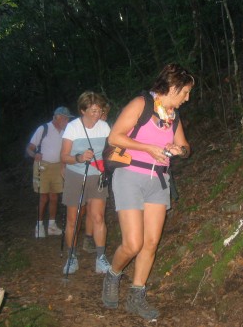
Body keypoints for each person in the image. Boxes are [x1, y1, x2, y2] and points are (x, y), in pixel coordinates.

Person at [102, 63, 194, 320]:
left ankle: (136, 295)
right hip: (129, 176)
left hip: (159, 180)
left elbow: (186, 147)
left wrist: (179, 150)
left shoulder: (173, 116)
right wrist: (146, 148)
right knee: (133, 243)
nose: (187, 98)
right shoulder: (140, 104)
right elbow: (115, 138)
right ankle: (113, 274)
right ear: (173, 87)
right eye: (185, 92)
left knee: (150, 243)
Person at [60, 91, 111, 275]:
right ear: (83, 110)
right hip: (76, 175)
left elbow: (112, 148)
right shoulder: (72, 128)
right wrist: (80, 157)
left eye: (99, 110)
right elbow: (64, 156)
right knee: (73, 219)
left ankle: (100, 258)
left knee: (98, 217)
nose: (97, 114)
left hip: (97, 175)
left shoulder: (104, 127)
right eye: (93, 111)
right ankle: (71, 257)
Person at [26, 106, 73, 238]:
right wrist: (34, 154)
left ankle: (52, 226)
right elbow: (30, 147)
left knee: (54, 196)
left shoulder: (66, 131)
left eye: (67, 119)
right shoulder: (43, 129)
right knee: (43, 197)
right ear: (58, 117)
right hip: (43, 166)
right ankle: (39, 225)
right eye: (65, 118)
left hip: (59, 166)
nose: (67, 121)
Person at [82, 101, 111, 253]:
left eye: (104, 114)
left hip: (101, 173)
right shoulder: (87, 129)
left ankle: (91, 239)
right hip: (87, 172)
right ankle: (88, 238)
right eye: (100, 113)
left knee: (96, 210)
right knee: (91, 207)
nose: (102, 116)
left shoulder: (105, 130)